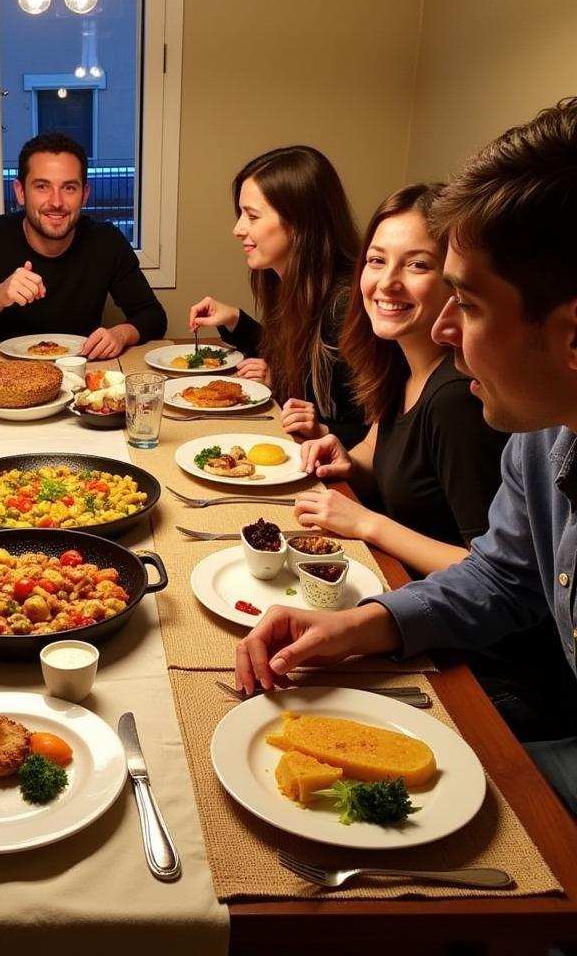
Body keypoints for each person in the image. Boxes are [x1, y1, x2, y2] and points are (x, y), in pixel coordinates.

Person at [234, 98, 577, 816]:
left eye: (471, 305)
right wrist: (361, 623)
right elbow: (503, 576)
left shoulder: (470, 404)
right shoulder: (544, 434)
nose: (445, 330)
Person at [295, 183, 508, 577]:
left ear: (455, 282)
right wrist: (347, 459)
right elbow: (380, 449)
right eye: (377, 261)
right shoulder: (401, 362)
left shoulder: (456, 399)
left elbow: (494, 572)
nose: (387, 282)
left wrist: (367, 524)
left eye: (417, 265)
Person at [189, 145, 367, 447]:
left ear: (298, 223)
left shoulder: (344, 307)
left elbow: (377, 431)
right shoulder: (287, 282)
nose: (238, 228)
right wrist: (236, 321)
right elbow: (295, 354)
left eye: (252, 216)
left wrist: (323, 429)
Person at [0, 132, 166, 359]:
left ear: (85, 194)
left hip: (78, 376)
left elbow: (153, 316)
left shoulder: (106, 241)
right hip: (1, 379)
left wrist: (121, 334)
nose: (56, 202)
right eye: (42, 186)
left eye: (69, 188)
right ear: (21, 192)